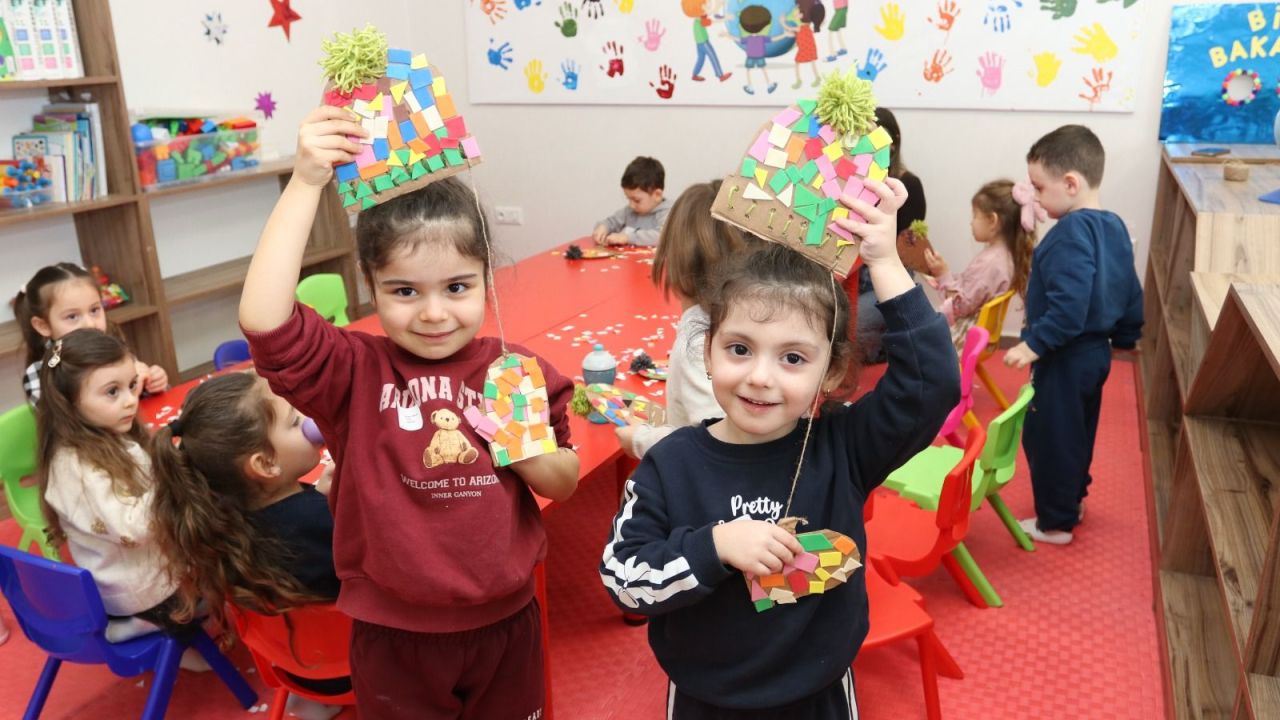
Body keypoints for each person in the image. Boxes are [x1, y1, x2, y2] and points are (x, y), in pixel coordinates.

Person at [239, 106, 579, 720]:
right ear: (371, 284)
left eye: (457, 287)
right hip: (394, 634)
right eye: (404, 291)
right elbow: (265, 322)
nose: (433, 313)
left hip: (507, 622)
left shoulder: (515, 371)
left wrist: (523, 448)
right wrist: (306, 181)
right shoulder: (354, 372)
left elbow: (564, 481)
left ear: (486, 277)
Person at [600, 178, 958, 718]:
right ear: (708, 351)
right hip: (706, 700)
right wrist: (713, 546)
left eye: (793, 358)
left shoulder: (842, 446)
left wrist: (884, 260)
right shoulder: (670, 464)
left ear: (831, 370)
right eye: (740, 349)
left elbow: (932, 385)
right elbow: (623, 581)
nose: (760, 378)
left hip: (818, 696)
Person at [151, 372, 345, 720]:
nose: (309, 423)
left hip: (291, 666)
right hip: (359, 665)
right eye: (295, 421)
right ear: (265, 464)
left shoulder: (220, 525)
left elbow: (295, 532)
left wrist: (322, 500)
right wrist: (346, 507)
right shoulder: (328, 523)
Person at [1005, 124, 1143, 545]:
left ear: (1070, 183)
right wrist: (1125, 336)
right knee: (1078, 431)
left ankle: (1056, 521)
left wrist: (1034, 345)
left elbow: (1070, 306)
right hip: (1095, 355)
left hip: (1064, 358)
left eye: (1039, 188)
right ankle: (1072, 500)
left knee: (1049, 438)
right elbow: (1130, 289)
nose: (1037, 198)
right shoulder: (1114, 227)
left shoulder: (1068, 234)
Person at [37, 329, 205, 657]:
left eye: (131, 385)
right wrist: (167, 471)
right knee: (223, 574)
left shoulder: (105, 434)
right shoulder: (77, 468)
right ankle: (148, 625)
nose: (130, 400)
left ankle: (169, 622)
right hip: (139, 592)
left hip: (142, 576)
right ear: (69, 402)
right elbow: (134, 529)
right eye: (112, 392)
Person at [615, 180, 760, 461]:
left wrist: (642, 439)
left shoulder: (700, 339)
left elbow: (715, 440)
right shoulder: (751, 316)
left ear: (676, 258)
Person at [15, 263, 168, 405]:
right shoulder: (40, 375)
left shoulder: (116, 351)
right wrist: (125, 390)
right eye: (72, 316)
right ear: (43, 325)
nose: (89, 324)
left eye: (94, 310)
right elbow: (67, 424)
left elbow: (144, 406)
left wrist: (151, 383)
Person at [923, 179, 1035, 353]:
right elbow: (972, 291)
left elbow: (959, 307)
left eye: (975, 215)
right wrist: (944, 276)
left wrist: (944, 276)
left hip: (964, 338)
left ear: (992, 220)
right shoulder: (1006, 256)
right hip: (983, 337)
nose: (971, 222)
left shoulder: (990, 263)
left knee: (915, 339)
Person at [853, 107, 926, 363]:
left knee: (853, 324)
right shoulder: (855, 182)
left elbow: (908, 251)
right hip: (856, 274)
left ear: (892, 144)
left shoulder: (909, 185)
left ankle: (879, 349)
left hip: (886, 275)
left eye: (875, 139)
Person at [592, 156, 670, 247]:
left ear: (657, 195)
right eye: (628, 199)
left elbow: (664, 237)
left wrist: (627, 238)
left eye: (636, 200)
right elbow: (612, 221)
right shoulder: (629, 211)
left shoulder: (668, 213)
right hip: (626, 260)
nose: (631, 205)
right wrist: (603, 227)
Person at [682, 0, 732, 83]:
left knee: (701, 59)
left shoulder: (699, 18)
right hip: (704, 43)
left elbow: (709, 14)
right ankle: (720, 75)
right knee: (713, 56)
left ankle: (694, 74)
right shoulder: (700, 20)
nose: (708, 7)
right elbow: (712, 22)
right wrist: (726, 18)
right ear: (698, 8)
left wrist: (718, 7)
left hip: (699, 44)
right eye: (706, 5)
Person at [786, 0, 824, 89]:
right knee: (812, 62)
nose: (795, 14)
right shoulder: (807, 27)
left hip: (804, 49)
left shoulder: (800, 28)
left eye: (797, 13)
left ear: (802, 15)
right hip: (809, 48)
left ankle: (799, 80)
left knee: (797, 62)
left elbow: (789, 27)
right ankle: (816, 77)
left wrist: (783, 22)